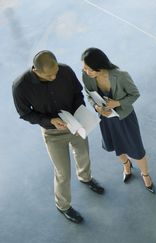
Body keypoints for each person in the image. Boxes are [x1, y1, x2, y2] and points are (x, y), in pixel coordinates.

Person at [12, 50, 105, 224]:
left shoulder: (65, 71)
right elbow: (25, 114)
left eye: (55, 72)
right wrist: (49, 120)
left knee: (83, 154)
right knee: (62, 172)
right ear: (36, 70)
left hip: (76, 125)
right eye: (49, 75)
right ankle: (63, 206)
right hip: (52, 133)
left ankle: (85, 178)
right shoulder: (20, 87)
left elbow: (78, 94)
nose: (54, 77)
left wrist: (79, 112)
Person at [81, 47, 155, 193]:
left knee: (137, 149)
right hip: (106, 118)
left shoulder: (121, 76)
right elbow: (89, 95)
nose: (85, 72)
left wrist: (118, 103)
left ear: (99, 68)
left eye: (88, 69)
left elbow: (135, 94)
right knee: (115, 145)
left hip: (125, 118)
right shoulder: (87, 76)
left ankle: (145, 174)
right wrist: (96, 107)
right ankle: (126, 164)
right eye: (83, 68)